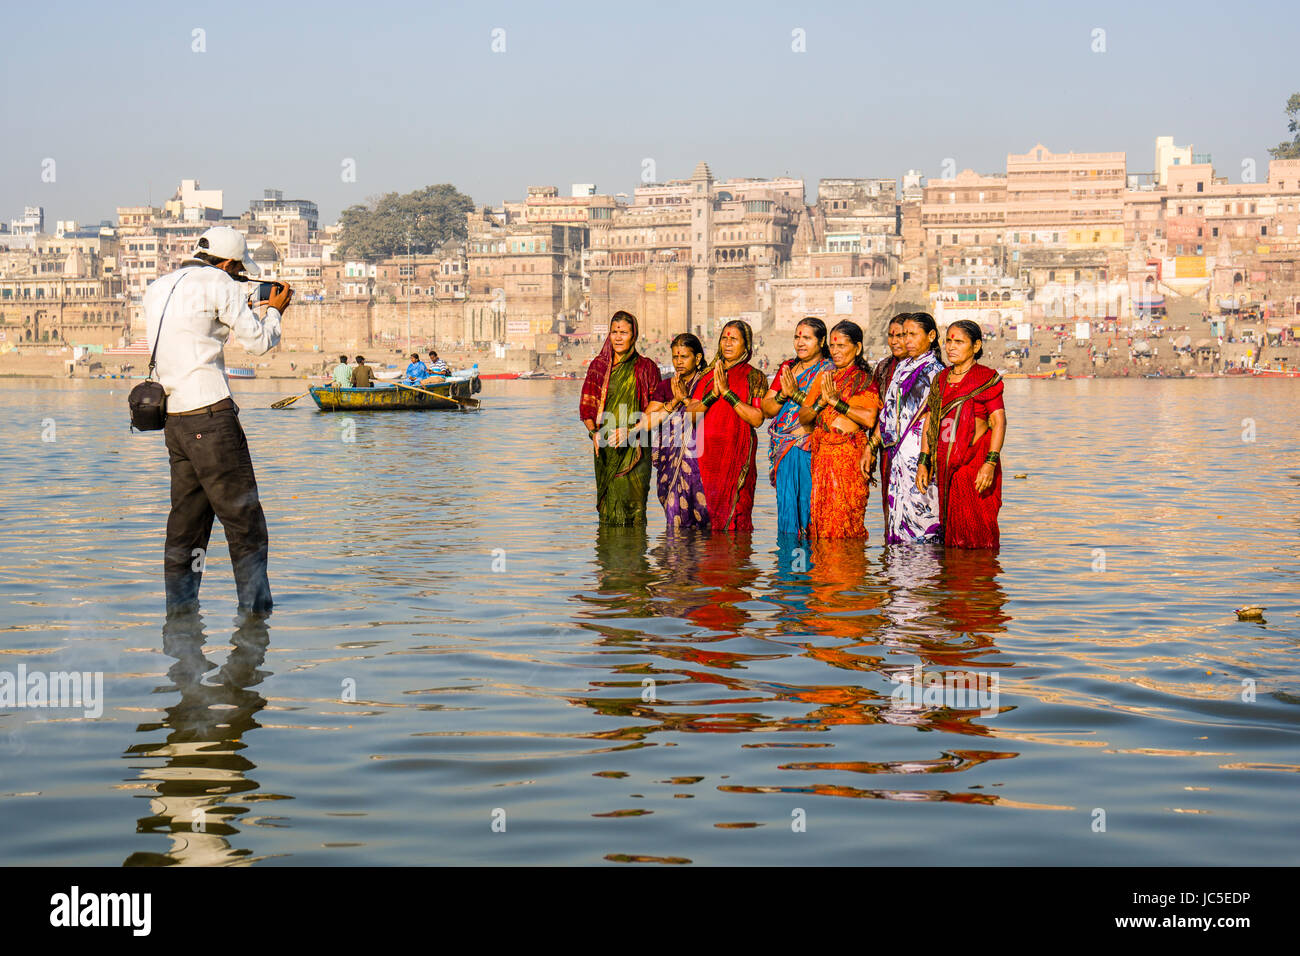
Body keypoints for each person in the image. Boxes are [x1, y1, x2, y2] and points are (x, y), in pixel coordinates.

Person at [144, 225, 291, 615]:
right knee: (245, 523)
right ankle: (256, 614)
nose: (240, 276)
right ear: (229, 263)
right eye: (239, 270)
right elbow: (259, 343)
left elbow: (191, 334)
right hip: (210, 417)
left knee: (186, 526)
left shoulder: (158, 287)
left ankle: (180, 611)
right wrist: (273, 310)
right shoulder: (220, 284)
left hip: (174, 421)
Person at [917, 320, 1006, 548]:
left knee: (978, 532)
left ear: (975, 346)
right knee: (952, 533)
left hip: (975, 466)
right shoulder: (941, 379)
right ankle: (954, 578)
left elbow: (998, 421)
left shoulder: (985, 378)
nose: (951, 347)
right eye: (948, 341)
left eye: (959, 342)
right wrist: (924, 461)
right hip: (946, 466)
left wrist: (990, 463)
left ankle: (978, 579)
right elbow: (930, 421)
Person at [866, 311, 944, 544]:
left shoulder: (936, 372)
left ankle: (923, 575)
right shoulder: (901, 369)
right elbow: (888, 413)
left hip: (920, 457)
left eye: (912, 334)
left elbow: (932, 421)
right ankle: (898, 575)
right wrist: (870, 447)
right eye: (904, 334)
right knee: (897, 515)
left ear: (930, 336)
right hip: (897, 457)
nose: (906, 340)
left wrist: (924, 460)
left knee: (923, 516)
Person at [799, 320, 880, 539]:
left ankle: (849, 568)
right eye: (833, 347)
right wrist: (821, 403)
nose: (835, 351)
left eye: (842, 346)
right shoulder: (825, 378)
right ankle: (825, 571)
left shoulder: (865, 380)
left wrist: (836, 402)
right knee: (822, 521)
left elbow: (870, 419)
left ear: (858, 347)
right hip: (822, 456)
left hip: (849, 459)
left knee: (847, 519)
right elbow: (804, 417)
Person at [579, 310, 661, 525]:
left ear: (634, 335)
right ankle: (607, 556)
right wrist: (593, 434)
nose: (617, 337)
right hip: (606, 449)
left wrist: (632, 430)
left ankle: (635, 554)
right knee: (609, 512)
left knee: (634, 510)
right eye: (614, 332)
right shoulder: (598, 367)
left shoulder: (647, 368)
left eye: (623, 332)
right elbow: (587, 407)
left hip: (638, 448)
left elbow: (658, 409)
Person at [689, 319, 766, 533]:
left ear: (746, 345)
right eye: (724, 338)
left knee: (736, 523)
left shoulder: (754, 377)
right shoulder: (706, 376)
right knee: (706, 524)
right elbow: (690, 417)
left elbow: (757, 418)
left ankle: (737, 565)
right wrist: (713, 394)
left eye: (734, 339)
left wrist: (728, 394)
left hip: (737, 459)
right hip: (705, 461)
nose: (728, 343)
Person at [760, 317, 832, 538]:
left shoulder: (828, 370)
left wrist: (794, 394)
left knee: (808, 504)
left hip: (808, 447)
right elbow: (767, 408)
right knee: (787, 503)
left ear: (821, 342)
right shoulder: (787, 368)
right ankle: (789, 564)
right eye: (797, 337)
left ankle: (808, 566)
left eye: (807, 338)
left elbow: (823, 412)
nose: (800, 343)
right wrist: (783, 393)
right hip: (782, 446)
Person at [644, 332, 710, 532]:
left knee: (704, 520)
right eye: (675, 357)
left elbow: (705, 417)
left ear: (697, 358)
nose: (678, 362)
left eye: (684, 357)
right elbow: (647, 419)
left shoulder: (707, 384)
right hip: (671, 464)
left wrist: (685, 399)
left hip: (701, 463)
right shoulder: (666, 386)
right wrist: (674, 401)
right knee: (674, 516)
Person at [865, 314, 909, 525]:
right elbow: (878, 410)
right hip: (886, 448)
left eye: (900, 335)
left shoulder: (929, 369)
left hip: (915, 452)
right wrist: (871, 448)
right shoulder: (883, 368)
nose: (894, 341)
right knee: (890, 509)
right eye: (891, 335)